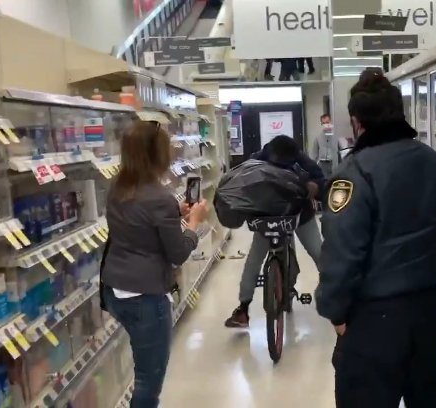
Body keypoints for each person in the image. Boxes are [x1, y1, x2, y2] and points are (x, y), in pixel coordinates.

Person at [316, 70, 436, 407]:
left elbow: (342, 252)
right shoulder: (433, 162)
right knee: (427, 398)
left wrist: (335, 312)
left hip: (375, 318)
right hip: (428, 309)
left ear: (357, 121)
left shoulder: (354, 173)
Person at [100, 121, 209, 408]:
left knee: (142, 369)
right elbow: (178, 253)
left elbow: (141, 222)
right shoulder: (158, 198)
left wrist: (176, 213)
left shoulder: (117, 188)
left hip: (115, 289)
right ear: (158, 155)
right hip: (145, 297)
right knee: (149, 381)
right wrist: (193, 223)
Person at [225, 135, 325, 327]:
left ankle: (335, 293)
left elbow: (320, 178)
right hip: (269, 215)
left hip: (299, 213)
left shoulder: (299, 157)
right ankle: (243, 308)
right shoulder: (256, 160)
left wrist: (315, 186)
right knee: (254, 260)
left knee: (320, 254)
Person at [310, 113, 339, 178]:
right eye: (324, 123)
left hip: (334, 163)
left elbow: (341, 151)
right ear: (321, 124)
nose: (326, 125)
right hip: (322, 164)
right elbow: (314, 154)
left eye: (327, 122)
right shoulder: (317, 137)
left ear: (330, 122)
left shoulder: (337, 136)